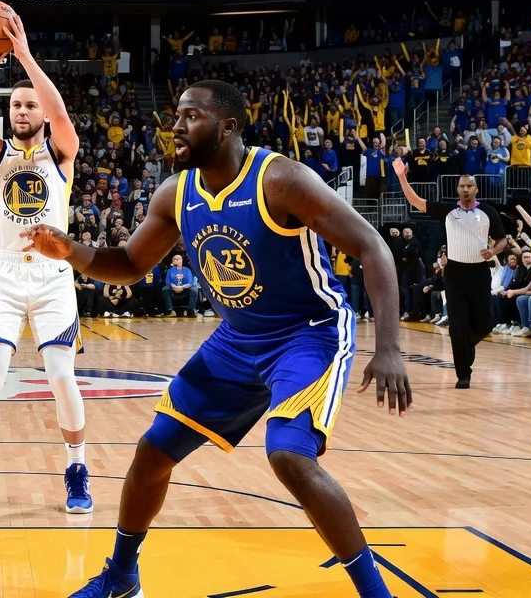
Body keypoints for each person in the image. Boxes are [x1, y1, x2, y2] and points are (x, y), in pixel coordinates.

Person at [23, 80, 410, 598]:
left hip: (306, 332)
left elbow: (372, 246)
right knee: (153, 453)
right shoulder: (176, 193)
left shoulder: (281, 180)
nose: (177, 126)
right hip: (238, 338)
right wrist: (72, 251)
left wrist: (388, 348)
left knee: (289, 453)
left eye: (191, 116)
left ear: (227, 127)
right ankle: (121, 576)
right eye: (176, 116)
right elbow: (132, 264)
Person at [0, 12, 91, 514]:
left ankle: (77, 470)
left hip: (52, 276)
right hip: (4, 273)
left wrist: (24, 56)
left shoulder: (62, 152)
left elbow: (63, 118)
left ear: (42, 111)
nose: (23, 110)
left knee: (62, 378)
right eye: (16, 104)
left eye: (30, 104)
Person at [391, 164, 507, 388]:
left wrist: (493, 250)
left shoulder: (488, 212)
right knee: (457, 326)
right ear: (457, 189)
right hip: (455, 274)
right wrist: (401, 177)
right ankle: (463, 374)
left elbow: (502, 239)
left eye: (470, 186)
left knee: (485, 325)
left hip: (480, 273)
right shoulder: (448, 211)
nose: (466, 189)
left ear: (476, 189)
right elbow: (415, 200)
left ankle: (467, 344)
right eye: (462, 186)